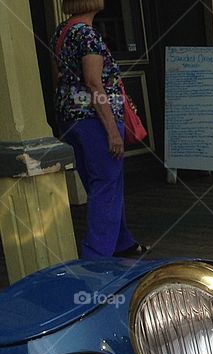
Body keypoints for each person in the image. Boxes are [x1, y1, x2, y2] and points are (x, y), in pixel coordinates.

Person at [52, 0, 145, 259]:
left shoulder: (62, 32)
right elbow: (94, 84)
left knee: (103, 184)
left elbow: (60, 77)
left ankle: (122, 242)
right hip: (95, 119)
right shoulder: (88, 35)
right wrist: (112, 131)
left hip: (70, 118)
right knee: (106, 184)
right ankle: (97, 257)